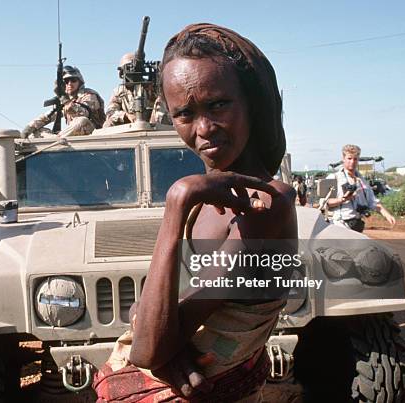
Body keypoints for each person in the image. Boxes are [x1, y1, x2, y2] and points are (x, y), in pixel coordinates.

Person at [93, 23, 297, 402]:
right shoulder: (209, 199)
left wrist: (177, 200)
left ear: (251, 100)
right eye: (184, 113)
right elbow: (150, 311)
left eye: (218, 104)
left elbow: (147, 349)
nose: (204, 129)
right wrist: (164, 339)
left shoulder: (264, 205)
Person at [20, 65, 106, 138]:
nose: (69, 84)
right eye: (66, 81)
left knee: (81, 120)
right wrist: (28, 128)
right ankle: (54, 140)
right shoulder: (66, 99)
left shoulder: (89, 95)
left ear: (80, 82)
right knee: (37, 130)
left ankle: (57, 140)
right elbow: (49, 116)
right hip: (69, 136)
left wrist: (65, 101)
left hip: (93, 133)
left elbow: (84, 113)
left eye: (73, 80)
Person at [327, 144, 396, 233]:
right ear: (343, 159)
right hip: (340, 225)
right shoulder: (334, 178)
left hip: (357, 224)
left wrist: (387, 215)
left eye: (355, 159)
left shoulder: (361, 180)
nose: (352, 162)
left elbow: (373, 202)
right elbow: (326, 203)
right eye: (349, 158)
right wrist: (343, 199)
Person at [103, 52, 171, 127]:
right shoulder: (118, 91)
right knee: (108, 124)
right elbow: (110, 112)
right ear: (122, 72)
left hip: (152, 125)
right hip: (129, 126)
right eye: (128, 68)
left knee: (161, 101)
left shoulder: (151, 86)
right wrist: (126, 115)